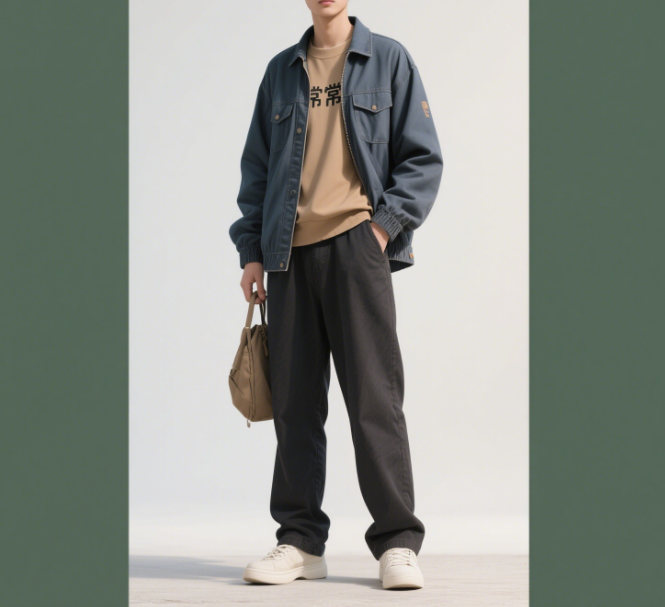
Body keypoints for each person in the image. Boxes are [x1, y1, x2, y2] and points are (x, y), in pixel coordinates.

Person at [229, 0, 443, 590]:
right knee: (295, 405)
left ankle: (397, 542)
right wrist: (252, 250)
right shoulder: (280, 72)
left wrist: (382, 230)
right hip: (287, 255)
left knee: (375, 398)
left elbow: (422, 157)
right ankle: (300, 541)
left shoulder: (389, 60)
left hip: (358, 247)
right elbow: (257, 169)